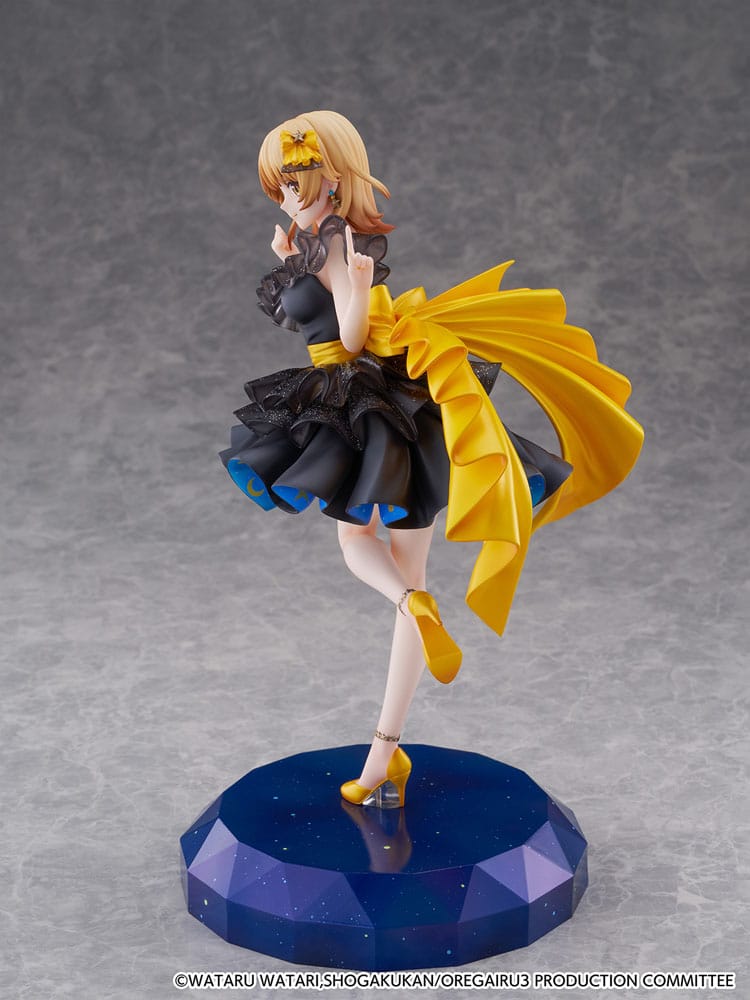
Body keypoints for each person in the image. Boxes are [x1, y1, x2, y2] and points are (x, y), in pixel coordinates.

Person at [221, 110, 643, 808]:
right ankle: (384, 753)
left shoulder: (338, 243)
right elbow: (310, 307)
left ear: (333, 177)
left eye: (297, 181)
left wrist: (355, 282)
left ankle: (409, 609)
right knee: (390, 554)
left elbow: (348, 336)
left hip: (354, 399)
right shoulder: (316, 239)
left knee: (358, 543)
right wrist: (291, 249)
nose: (288, 194)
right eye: (280, 185)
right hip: (382, 406)